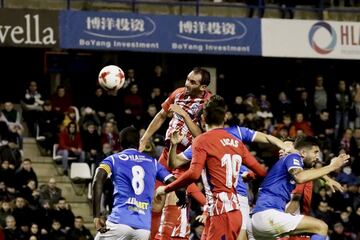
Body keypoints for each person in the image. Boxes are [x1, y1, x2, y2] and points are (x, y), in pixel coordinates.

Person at [156, 95, 267, 240]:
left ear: (203, 120)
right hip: (228, 211)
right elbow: (261, 172)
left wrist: (166, 188)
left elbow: (194, 175)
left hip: (221, 212)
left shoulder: (202, 140)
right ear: (224, 118)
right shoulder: (237, 142)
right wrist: (248, 176)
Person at [139, 67, 211, 239]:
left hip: (188, 157)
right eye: (187, 79)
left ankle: (204, 213)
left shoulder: (208, 104)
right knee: (157, 198)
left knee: (177, 194)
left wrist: (184, 114)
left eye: (193, 82)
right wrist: (145, 138)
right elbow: (162, 115)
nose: (187, 84)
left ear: (203, 87)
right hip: (167, 153)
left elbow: (203, 137)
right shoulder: (178, 93)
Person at [92, 126, 185, 240]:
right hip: (143, 229)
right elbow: (178, 185)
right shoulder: (153, 163)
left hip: (119, 222)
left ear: (120, 143)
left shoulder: (113, 159)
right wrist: (181, 198)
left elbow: (97, 181)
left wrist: (96, 216)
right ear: (138, 142)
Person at [250, 136, 349, 240]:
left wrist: (327, 179)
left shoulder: (287, 165)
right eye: (315, 152)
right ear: (302, 152)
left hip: (258, 219)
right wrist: (332, 167)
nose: (283, 149)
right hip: (270, 216)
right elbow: (300, 177)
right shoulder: (291, 160)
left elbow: (307, 169)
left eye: (288, 146)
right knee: (321, 227)